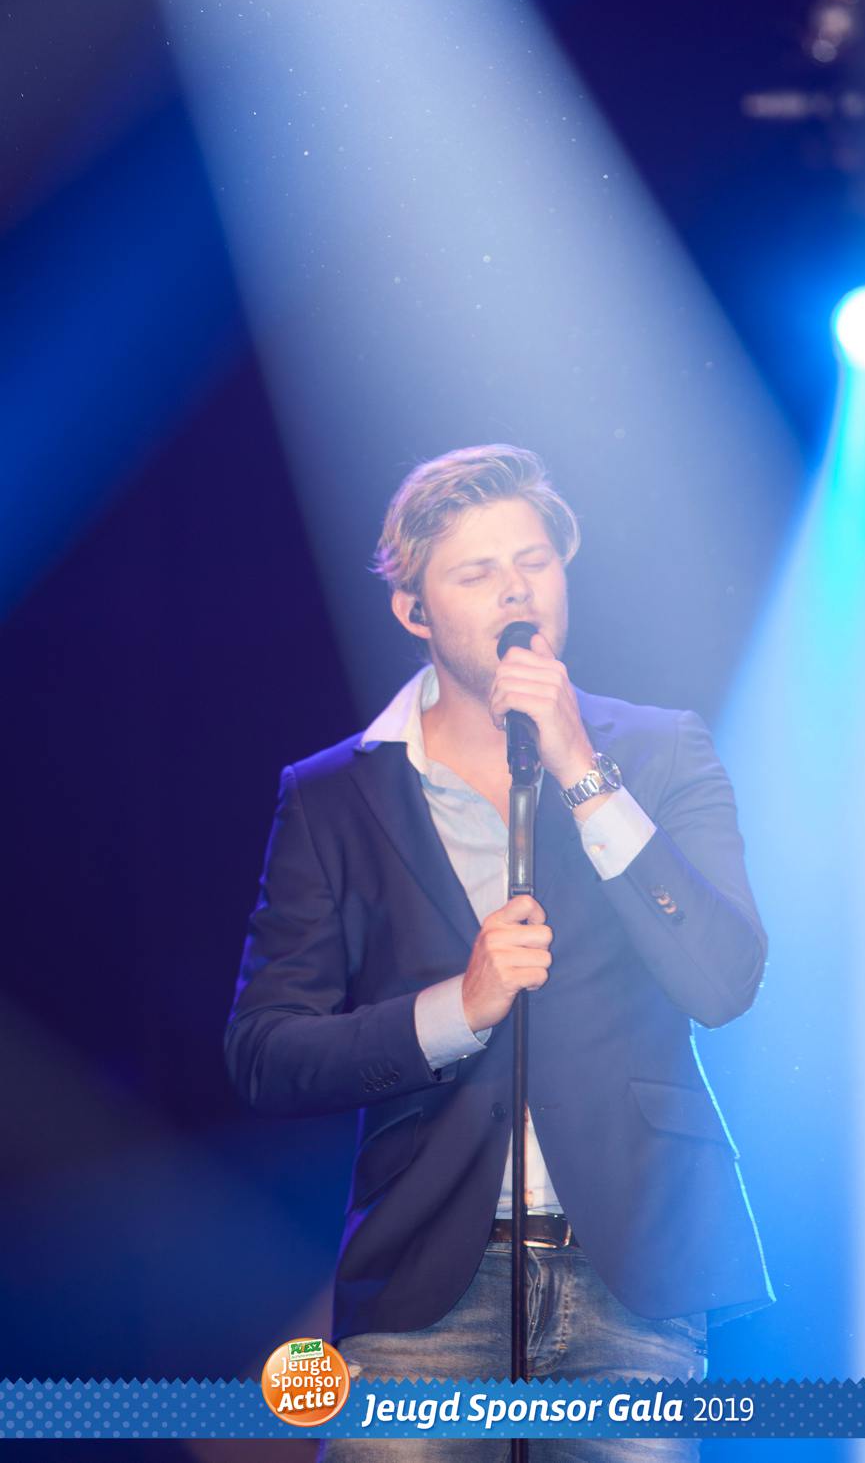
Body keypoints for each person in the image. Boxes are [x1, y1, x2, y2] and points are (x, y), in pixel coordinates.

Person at [226, 445, 773, 1460]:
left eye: (533, 562)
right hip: (425, 1284)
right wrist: (457, 1008)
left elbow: (725, 977)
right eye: (478, 572)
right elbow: (265, 1050)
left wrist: (583, 773)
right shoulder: (333, 796)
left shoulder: (659, 751)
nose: (516, 591)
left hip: (630, 1277)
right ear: (415, 611)